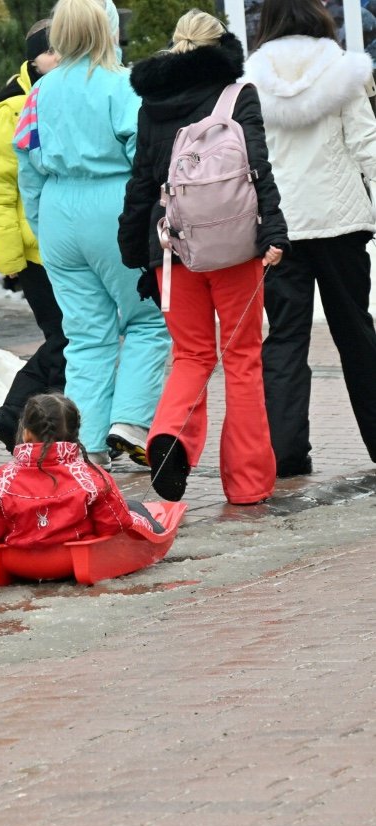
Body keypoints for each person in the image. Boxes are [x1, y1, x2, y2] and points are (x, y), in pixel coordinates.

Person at [119, 11, 289, 505]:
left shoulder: (151, 100)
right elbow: (258, 169)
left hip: (170, 246)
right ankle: (248, 484)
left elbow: (142, 181)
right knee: (242, 359)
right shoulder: (238, 96)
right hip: (236, 245)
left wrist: (136, 252)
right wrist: (274, 230)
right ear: (222, 48)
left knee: (191, 356)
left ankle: (169, 438)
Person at [14, 0, 169, 469]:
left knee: (85, 336)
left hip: (60, 210)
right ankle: (130, 421)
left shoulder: (39, 93)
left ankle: (83, 446)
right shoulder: (122, 86)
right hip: (114, 207)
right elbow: (144, 159)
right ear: (110, 29)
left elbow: (26, 163)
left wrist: (43, 226)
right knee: (149, 320)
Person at [244, 0, 376, 478]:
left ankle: (286, 453)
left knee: (284, 339)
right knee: (356, 333)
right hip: (341, 223)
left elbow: (248, 157)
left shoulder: (251, 77)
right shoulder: (341, 69)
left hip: (280, 229)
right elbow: (367, 145)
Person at [0, 19, 68, 451]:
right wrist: (9, 259)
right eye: (53, 50)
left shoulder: (63, 93)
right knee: (68, 338)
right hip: (35, 253)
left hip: (61, 245)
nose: (61, 57)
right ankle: (18, 419)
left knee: (67, 340)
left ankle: (36, 431)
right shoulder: (15, 106)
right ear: (34, 56)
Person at [0, 393, 163, 547]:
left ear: (26, 433)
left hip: (21, 564)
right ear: (75, 434)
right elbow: (114, 525)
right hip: (75, 559)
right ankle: (161, 535)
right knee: (134, 508)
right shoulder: (91, 478)